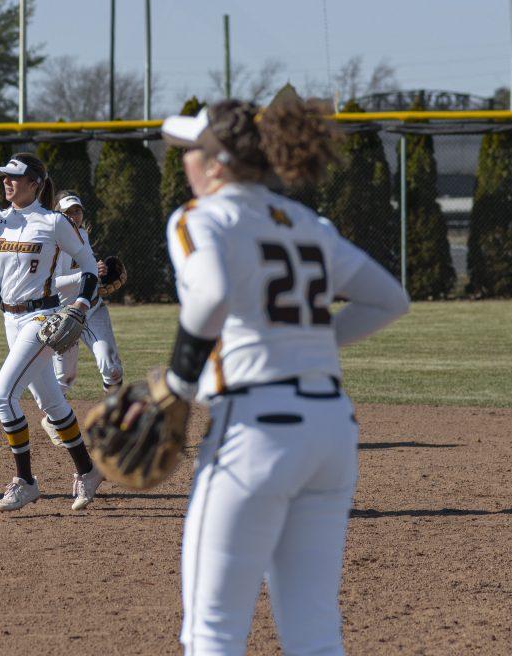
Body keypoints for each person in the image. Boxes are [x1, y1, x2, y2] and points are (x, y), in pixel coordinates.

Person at [159, 89, 410, 655]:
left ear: (217, 162)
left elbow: (213, 293)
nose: (183, 162)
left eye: (190, 150)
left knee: (213, 632)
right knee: (314, 631)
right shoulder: (305, 221)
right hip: (331, 431)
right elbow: (389, 300)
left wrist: (178, 381)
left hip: (255, 429)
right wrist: (312, 340)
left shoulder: (201, 217)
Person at [0, 153, 105, 511]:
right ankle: (88, 471)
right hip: (10, 321)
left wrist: (81, 304)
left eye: (15, 178)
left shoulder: (53, 222)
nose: (6, 182)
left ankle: (26, 481)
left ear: (36, 184)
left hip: (42, 318)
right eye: (3, 177)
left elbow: (89, 264)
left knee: (2, 395)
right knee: (51, 401)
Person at [41, 191, 125, 446]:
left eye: (76, 211)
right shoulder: (51, 242)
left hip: (93, 308)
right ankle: (52, 419)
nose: (73, 216)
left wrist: (98, 272)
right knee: (65, 378)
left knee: (111, 366)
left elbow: (87, 268)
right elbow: (54, 283)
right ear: (57, 214)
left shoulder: (83, 235)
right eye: (67, 212)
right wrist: (86, 275)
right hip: (65, 316)